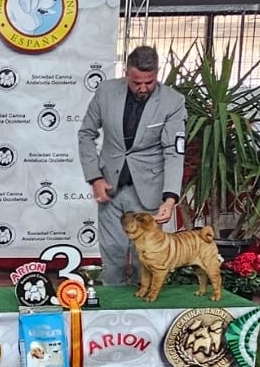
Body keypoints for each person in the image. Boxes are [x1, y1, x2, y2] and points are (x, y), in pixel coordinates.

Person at [77, 45, 186, 286]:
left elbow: (174, 151)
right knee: (112, 257)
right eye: (137, 82)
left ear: (157, 72)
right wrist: (94, 178)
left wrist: (170, 199)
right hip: (110, 187)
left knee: (144, 260)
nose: (143, 88)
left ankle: (143, 304)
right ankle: (111, 304)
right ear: (126, 72)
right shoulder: (105, 92)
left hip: (149, 189)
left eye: (149, 82)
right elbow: (85, 134)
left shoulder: (173, 102)